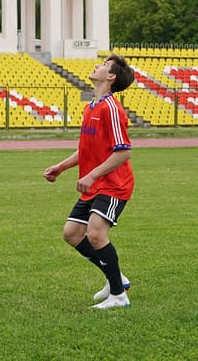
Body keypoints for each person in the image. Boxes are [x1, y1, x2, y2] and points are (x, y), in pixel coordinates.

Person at [43, 53, 136, 309]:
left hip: (114, 184)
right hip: (95, 184)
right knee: (72, 234)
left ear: (111, 76)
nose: (97, 66)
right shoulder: (91, 106)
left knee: (96, 234)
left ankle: (118, 295)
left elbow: (124, 151)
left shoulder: (111, 109)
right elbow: (86, 149)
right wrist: (61, 167)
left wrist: (93, 174)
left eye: (104, 65)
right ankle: (114, 277)